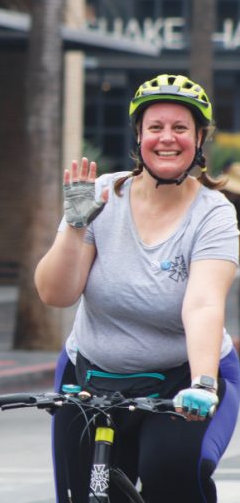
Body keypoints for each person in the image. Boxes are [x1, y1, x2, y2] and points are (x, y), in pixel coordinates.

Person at [35, 74, 240, 503]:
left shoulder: (213, 213)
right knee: (78, 492)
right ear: (139, 137)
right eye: (155, 128)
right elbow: (56, 294)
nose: (167, 139)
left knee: (170, 475)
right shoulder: (103, 195)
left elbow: (202, 303)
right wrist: (75, 225)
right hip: (91, 376)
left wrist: (202, 384)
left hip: (181, 381)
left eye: (180, 128)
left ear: (199, 138)